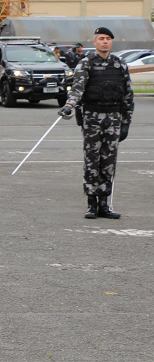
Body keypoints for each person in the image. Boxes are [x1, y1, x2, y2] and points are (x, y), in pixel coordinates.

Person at [58, 27, 133, 219]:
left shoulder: (120, 64)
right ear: (95, 42)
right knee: (92, 161)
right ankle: (92, 204)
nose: (105, 42)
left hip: (114, 118)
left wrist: (126, 122)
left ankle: (105, 205)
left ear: (112, 42)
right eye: (101, 38)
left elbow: (127, 95)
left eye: (108, 39)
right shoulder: (86, 63)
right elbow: (77, 88)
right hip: (92, 118)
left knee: (108, 162)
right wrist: (69, 105)